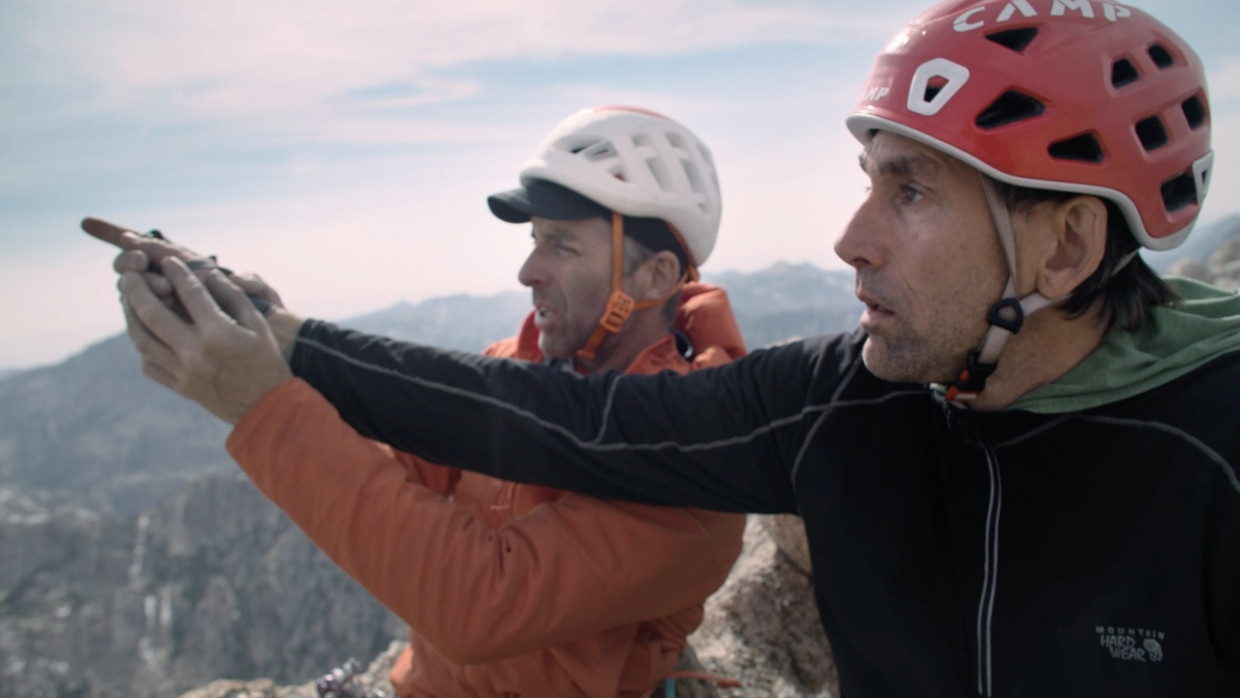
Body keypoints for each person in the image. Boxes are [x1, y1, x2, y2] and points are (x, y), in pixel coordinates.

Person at [112, 1, 1240, 695]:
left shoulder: (1213, 453)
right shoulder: (829, 405)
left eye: (910, 192)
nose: (849, 240)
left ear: (1062, 247)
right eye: (866, 183)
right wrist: (287, 339)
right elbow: (555, 421)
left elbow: (477, 588)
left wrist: (268, 397)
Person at [107, 105, 749, 697]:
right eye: (534, 239)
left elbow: (481, 605)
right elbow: (391, 475)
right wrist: (269, 336)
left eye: (561, 243)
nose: (529, 271)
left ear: (656, 276)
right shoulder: (511, 367)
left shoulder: (696, 458)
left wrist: (265, 407)